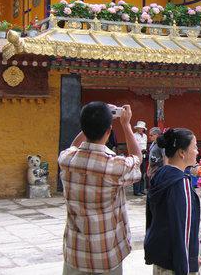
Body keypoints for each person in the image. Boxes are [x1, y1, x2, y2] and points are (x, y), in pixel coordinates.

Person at [58, 102, 142, 275]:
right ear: (108, 131)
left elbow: (74, 147)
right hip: (106, 253)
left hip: (75, 251)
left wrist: (91, 122)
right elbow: (137, 158)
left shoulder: (66, 159)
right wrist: (126, 125)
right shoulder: (115, 166)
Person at [144, 128, 201, 275]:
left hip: (161, 258)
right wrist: (187, 265)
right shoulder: (181, 183)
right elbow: (184, 230)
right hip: (177, 264)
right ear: (182, 152)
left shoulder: (160, 175)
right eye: (194, 147)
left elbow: (151, 219)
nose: (197, 151)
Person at [146, 127, 163, 228]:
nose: (150, 137)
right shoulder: (153, 144)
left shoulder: (161, 145)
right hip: (152, 167)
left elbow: (164, 157)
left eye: (152, 135)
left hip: (158, 168)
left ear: (157, 135)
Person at [133, 120, 148, 196]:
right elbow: (133, 146)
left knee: (143, 173)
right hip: (137, 156)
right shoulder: (134, 135)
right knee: (137, 173)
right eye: (139, 128)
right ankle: (136, 191)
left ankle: (142, 189)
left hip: (144, 156)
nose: (140, 129)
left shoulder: (145, 136)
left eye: (141, 128)